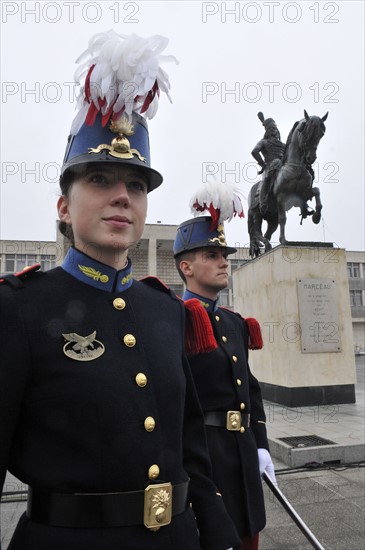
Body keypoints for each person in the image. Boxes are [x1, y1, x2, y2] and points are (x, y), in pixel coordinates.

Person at [0, 31, 240, 550]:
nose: (121, 197)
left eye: (135, 185)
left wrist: (215, 530)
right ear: (64, 207)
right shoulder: (17, 309)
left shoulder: (165, 310)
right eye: (100, 179)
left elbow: (189, 443)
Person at [174, 212, 276, 550]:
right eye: (212, 256)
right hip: (205, 457)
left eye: (225, 256)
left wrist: (260, 444)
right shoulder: (173, 320)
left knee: (249, 535)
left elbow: (251, 387)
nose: (223, 263)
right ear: (186, 267)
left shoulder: (233, 323)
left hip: (242, 453)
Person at [251, 112, 285, 216]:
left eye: (274, 128)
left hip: (283, 166)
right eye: (270, 128)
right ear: (267, 131)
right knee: (267, 178)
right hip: (269, 166)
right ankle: (263, 202)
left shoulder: (283, 145)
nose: (273, 130)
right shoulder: (263, 142)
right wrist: (262, 164)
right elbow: (254, 151)